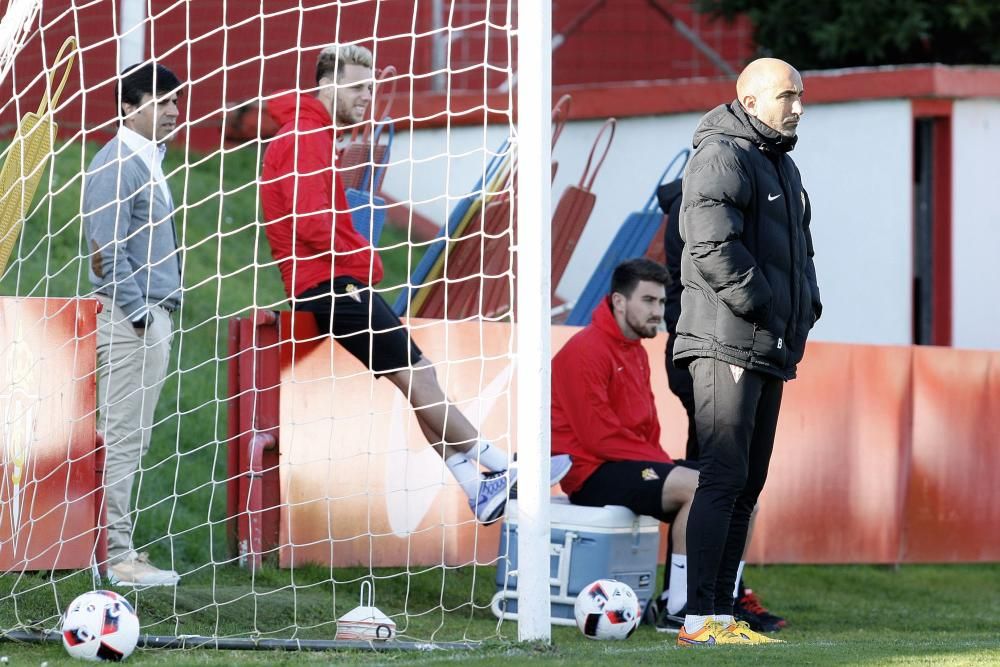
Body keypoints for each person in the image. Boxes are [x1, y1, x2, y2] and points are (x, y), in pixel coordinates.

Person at [258, 44, 569, 524]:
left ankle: (478, 484)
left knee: (416, 379)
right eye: (359, 87)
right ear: (328, 84)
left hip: (329, 284)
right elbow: (309, 220)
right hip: (332, 285)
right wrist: (367, 258)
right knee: (419, 375)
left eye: (370, 88)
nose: (367, 97)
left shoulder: (309, 133)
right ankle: (502, 466)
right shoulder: (304, 135)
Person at [673, 57, 821, 647]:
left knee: (748, 483)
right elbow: (711, 244)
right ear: (751, 100)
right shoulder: (721, 154)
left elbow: (801, 257)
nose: (799, 106)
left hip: (767, 344)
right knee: (724, 476)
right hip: (723, 341)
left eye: (801, 95)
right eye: (788, 95)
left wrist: (804, 309)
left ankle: (723, 615)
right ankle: (698, 619)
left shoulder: (781, 164)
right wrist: (764, 305)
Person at [551, 258, 774, 645]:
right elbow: (597, 438)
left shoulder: (634, 348)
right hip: (591, 472)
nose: (659, 312)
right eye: (649, 301)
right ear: (620, 302)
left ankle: (724, 602)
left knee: (739, 493)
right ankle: (679, 609)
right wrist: (664, 466)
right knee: (699, 486)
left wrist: (660, 463)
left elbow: (645, 427)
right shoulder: (585, 349)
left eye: (660, 302)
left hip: (630, 464)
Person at [653, 179, 786, 633]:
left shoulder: (724, 194)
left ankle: (712, 604)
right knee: (720, 482)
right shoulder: (704, 201)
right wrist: (763, 305)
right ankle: (697, 608)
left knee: (730, 483)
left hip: (734, 350)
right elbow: (719, 262)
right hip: (714, 353)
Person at [83, 63, 184, 587]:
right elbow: (104, 249)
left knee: (130, 437)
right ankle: (116, 556)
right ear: (128, 106)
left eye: (175, 101)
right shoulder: (119, 162)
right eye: (161, 100)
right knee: (122, 437)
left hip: (145, 316)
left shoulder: (149, 160)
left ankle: (111, 547)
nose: (172, 110)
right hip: (130, 319)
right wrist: (141, 313)